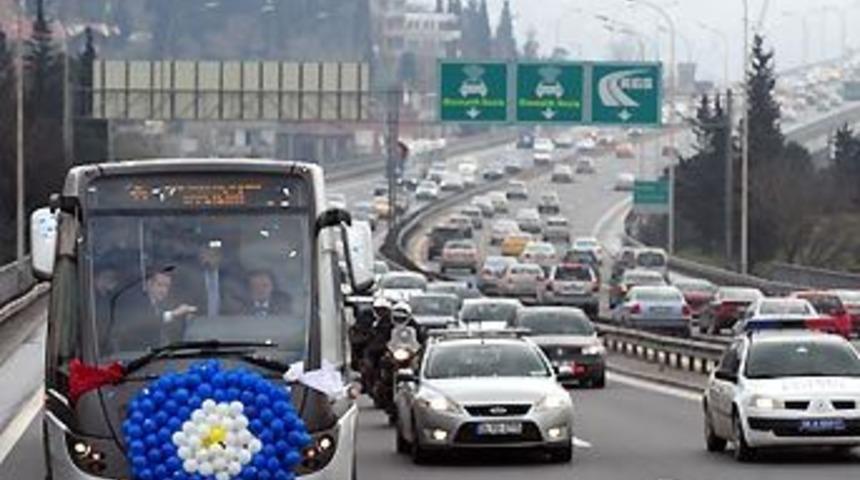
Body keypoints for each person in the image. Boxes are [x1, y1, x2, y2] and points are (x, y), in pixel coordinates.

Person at [112, 269, 197, 351]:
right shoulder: (135, 302)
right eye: (160, 285)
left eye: (167, 286)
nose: (163, 290)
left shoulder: (164, 305)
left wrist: (186, 320)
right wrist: (174, 314)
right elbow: (147, 322)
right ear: (149, 284)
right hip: (135, 356)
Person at [178, 240, 243, 316]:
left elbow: (236, 303)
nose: (208, 260)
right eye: (204, 256)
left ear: (219, 257)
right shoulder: (191, 278)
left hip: (224, 323)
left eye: (212, 256)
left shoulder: (229, 278)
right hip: (199, 322)